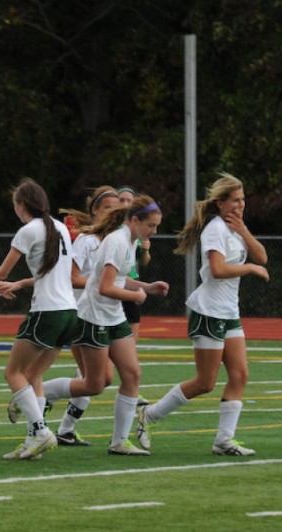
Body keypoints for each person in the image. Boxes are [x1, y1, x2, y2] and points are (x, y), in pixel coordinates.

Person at [136, 173, 269, 456]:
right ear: (220, 204)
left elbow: (263, 257)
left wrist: (245, 231)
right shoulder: (215, 229)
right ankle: (149, 415)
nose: (240, 205)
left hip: (228, 313)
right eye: (235, 200)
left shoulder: (236, 228)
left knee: (240, 374)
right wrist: (250, 269)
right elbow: (219, 270)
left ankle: (223, 440)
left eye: (243, 200)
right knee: (205, 382)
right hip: (208, 312)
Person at [39, 195, 169, 455]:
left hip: (114, 316)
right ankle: (35, 394)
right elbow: (105, 286)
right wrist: (136, 296)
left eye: (156, 226)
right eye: (151, 225)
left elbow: (119, 280)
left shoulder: (130, 241)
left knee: (132, 374)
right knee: (95, 384)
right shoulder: (117, 242)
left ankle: (119, 442)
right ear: (134, 220)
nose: (154, 231)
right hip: (94, 317)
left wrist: (146, 287)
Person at [0, 177, 77, 460]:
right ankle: (34, 440)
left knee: (13, 373)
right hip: (70, 312)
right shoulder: (59, 227)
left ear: (21, 205)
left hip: (46, 311)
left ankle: (41, 430)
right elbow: (50, 274)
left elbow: (1, 271)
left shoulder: (28, 230)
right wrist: (18, 285)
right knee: (34, 375)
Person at [40, 186, 121, 446]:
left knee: (99, 379)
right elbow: (72, 277)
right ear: (95, 211)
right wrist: (101, 283)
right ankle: (38, 393)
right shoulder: (87, 241)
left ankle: (64, 428)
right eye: (108, 208)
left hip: (104, 316)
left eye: (117, 208)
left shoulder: (116, 240)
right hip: (84, 316)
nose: (113, 213)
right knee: (96, 380)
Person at [117, 186, 152, 342]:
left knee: (131, 341)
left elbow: (144, 262)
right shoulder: (112, 230)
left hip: (130, 283)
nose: (125, 203)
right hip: (114, 286)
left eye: (129, 200)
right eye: (121, 200)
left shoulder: (138, 230)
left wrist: (145, 251)